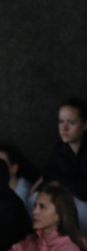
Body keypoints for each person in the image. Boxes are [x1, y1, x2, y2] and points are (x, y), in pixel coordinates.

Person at [34, 98, 87, 230]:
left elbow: (84, 189)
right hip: (71, 196)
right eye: (61, 122)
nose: (64, 128)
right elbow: (49, 172)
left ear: (85, 124)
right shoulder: (62, 147)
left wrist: (59, 182)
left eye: (71, 123)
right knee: (36, 197)